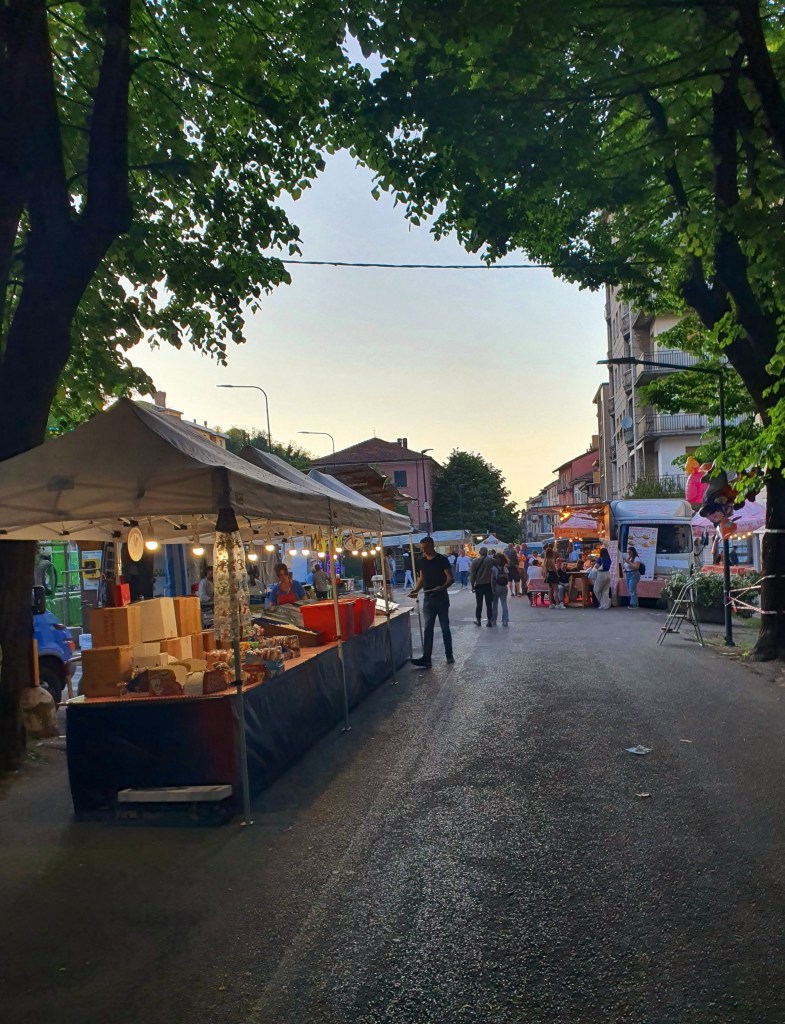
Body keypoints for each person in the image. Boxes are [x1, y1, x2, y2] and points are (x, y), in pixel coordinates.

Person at [409, 536, 454, 668]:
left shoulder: (442, 560)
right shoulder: (421, 561)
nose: (424, 550)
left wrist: (442, 587)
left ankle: (449, 655)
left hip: (441, 598)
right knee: (428, 628)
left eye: (426, 547)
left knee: (445, 627)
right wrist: (415, 590)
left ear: (432, 546)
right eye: (422, 548)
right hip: (428, 598)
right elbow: (421, 579)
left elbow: (450, 578)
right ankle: (426, 658)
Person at [470, 546, 494, 626]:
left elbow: (472, 575)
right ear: (487, 552)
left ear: (479, 552)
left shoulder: (475, 561)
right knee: (489, 604)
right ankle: (489, 620)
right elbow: (499, 562)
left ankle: (478, 620)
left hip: (479, 585)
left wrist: (472, 585)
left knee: (479, 604)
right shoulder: (490, 560)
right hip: (488, 584)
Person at [491, 553, 510, 626]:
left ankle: (494, 620)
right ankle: (505, 621)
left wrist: (492, 589)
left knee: (495, 605)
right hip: (504, 587)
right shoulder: (505, 568)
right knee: (504, 604)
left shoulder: (493, 568)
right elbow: (507, 578)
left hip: (496, 587)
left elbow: (492, 579)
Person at [543, 543, 561, 610]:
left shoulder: (546, 560)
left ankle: (551, 604)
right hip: (553, 575)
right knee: (555, 590)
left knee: (550, 590)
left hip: (548, 575)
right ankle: (557, 604)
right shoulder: (551, 560)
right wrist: (557, 575)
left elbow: (546, 570)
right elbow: (554, 569)